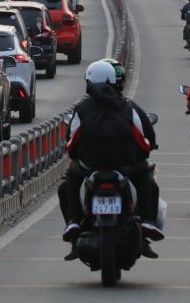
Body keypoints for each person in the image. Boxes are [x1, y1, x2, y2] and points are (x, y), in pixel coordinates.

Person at [59, 60, 164, 259]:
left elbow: (71, 142)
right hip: (125, 166)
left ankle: (73, 222)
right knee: (147, 180)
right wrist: (144, 152)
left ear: (89, 82)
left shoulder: (82, 109)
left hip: (90, 167)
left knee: (68, 184)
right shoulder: (127, 106)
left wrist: (76, 156)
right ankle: (147, 222)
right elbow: (144, 138)